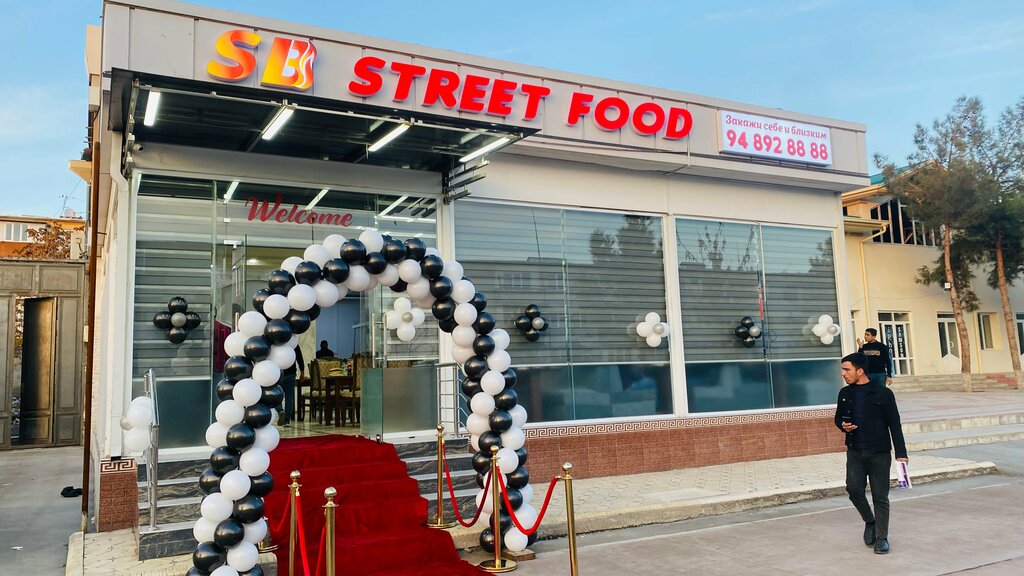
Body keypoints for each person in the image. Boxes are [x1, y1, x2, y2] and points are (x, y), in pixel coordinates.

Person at [835, 352, 908, 555]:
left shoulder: (883, 394)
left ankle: (882, 538)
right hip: (855, 452)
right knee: (854, 490)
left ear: (860, 371)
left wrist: (901, 453)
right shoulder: (844, 393)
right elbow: (838, 418)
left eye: (847, 369)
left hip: (879, 453)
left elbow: (894, 424)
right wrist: (842, 425)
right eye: (842, 369)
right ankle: (870, 521)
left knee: (880, 497)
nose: (843, 373)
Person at [278, 344, 304, 426]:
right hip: (291, 374)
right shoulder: (293, 344)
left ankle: (280, 411)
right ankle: (287, 421)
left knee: (276, 396)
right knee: (289, 398)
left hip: (278, 374)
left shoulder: (276, 343)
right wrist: (302, 372)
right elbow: (299, 358)